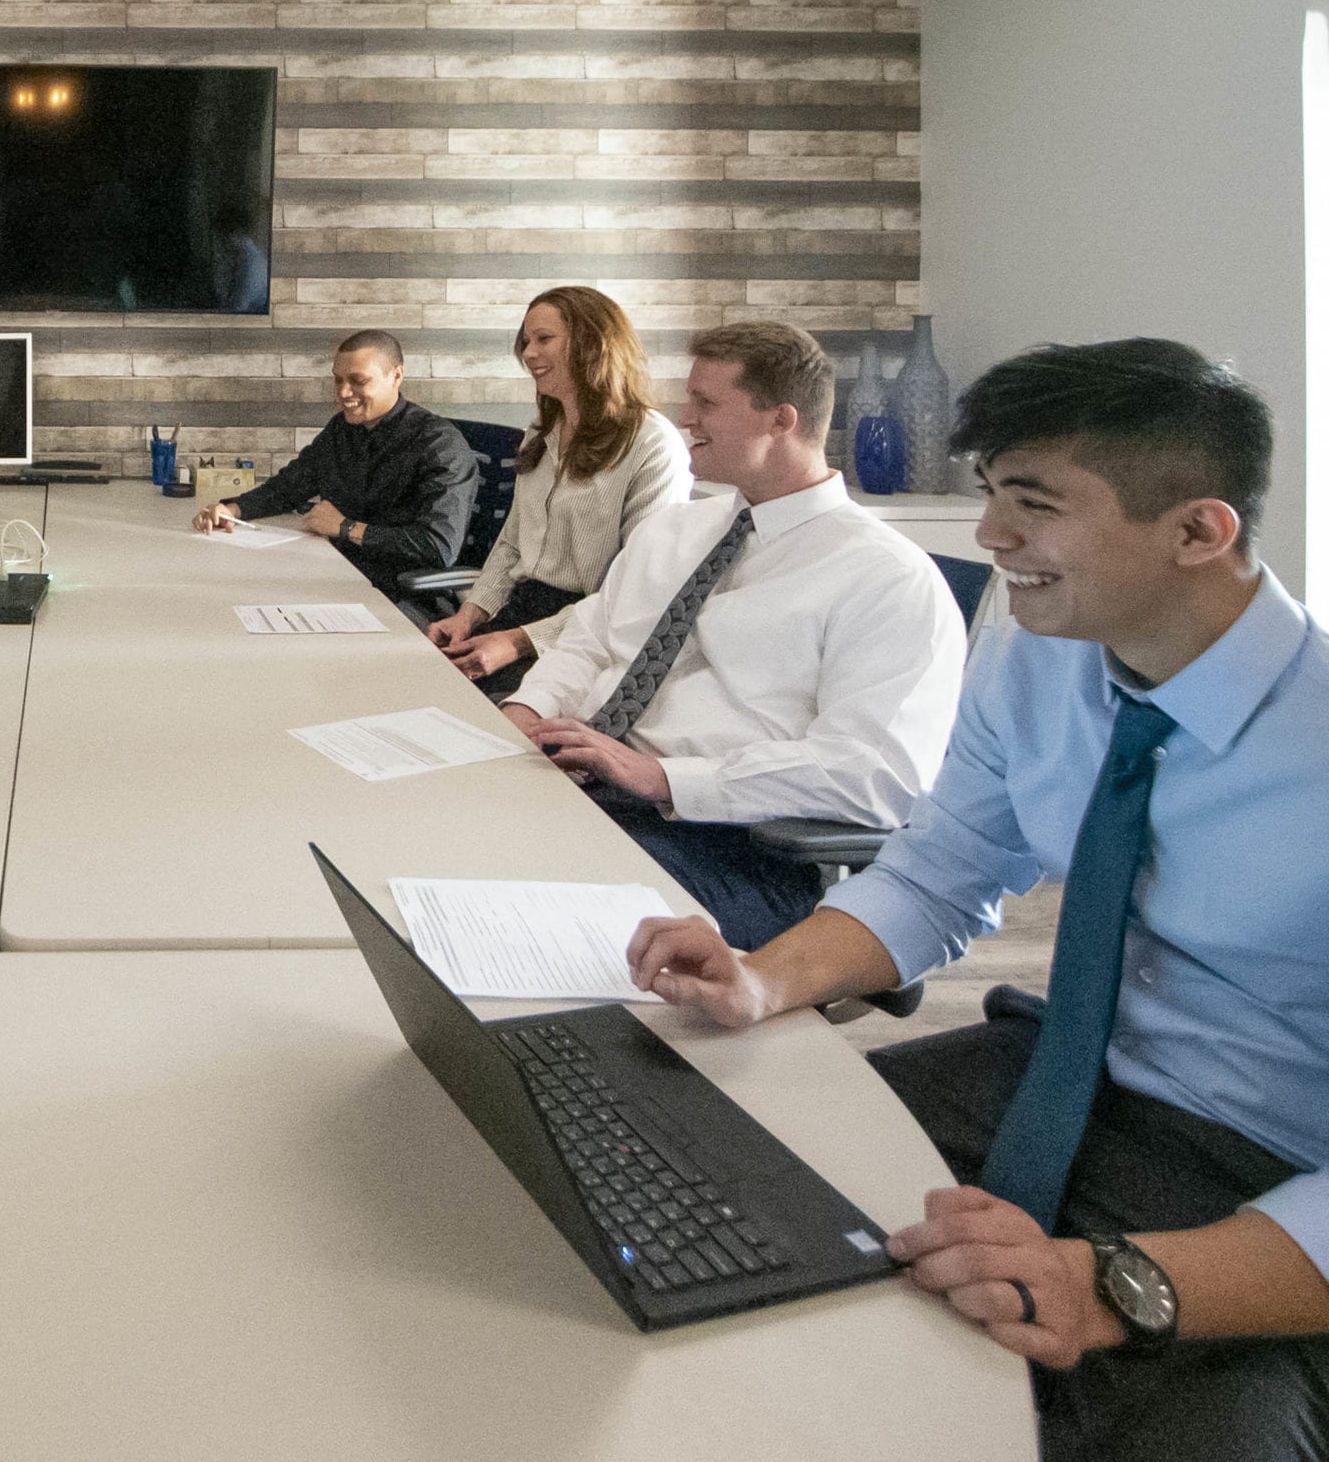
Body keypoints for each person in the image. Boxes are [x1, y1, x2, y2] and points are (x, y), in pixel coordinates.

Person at [626, 340, 1327, 1462]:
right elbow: (939, 868)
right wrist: (769, 975)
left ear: (1199, 531)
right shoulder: (1039, 650)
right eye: (993, 492)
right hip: (1061, 1076)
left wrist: (1127, 1282)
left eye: (1032, 504)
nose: (990, 536)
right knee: (710, 1174)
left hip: (1269, 1179)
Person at [500, 321, 964, 950]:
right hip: (589, 788)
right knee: (421, 844)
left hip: (736, 846)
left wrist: (663, 778)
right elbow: (587, 639)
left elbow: (875, 775)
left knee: (516, 917)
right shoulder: (676, 531)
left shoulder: (888, 579)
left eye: (707, 403)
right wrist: (528, 710)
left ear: (781, 419)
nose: (684, 416)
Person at [424, 286, 692, 697]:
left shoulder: (652, 444)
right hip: (520, 611)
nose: (529, 353)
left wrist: (517, 642)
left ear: (592, 343)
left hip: (587, 633)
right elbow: (512, 543)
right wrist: (470, 615)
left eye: (543, 339)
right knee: (421, 687)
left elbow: (634, 595)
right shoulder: (541, 433)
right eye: (526, 342)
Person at [193, 329, 478, 601]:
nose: (343, 392)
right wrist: (232, 509)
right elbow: (291, 485)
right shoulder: (343, 429)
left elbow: (438, 547)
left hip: (390, 591)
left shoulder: (440, 445)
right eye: (337, 380)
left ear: (396, 376)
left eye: (358, 381)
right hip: (331, 566)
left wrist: (345, 527)